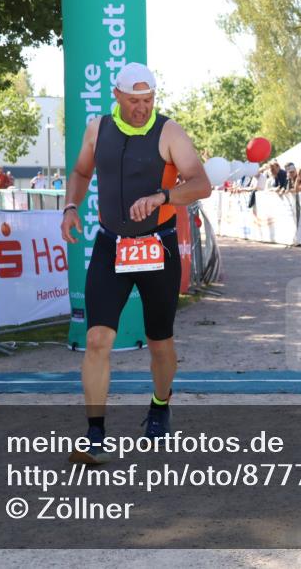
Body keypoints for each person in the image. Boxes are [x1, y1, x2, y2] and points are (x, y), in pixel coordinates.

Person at [60, 62, 211, 464]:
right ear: (118, 96)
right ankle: (95, 434)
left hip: (157, 247)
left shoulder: (169, 132)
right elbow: (79, 171)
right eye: (134, 101)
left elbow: (201, 183)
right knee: (97, 340)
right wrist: (71, 206)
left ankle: (160, 405)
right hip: (111, 245)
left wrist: (164, 196)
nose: (142, 108)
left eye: (148, 100)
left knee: (160, 342)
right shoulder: (98, 129)